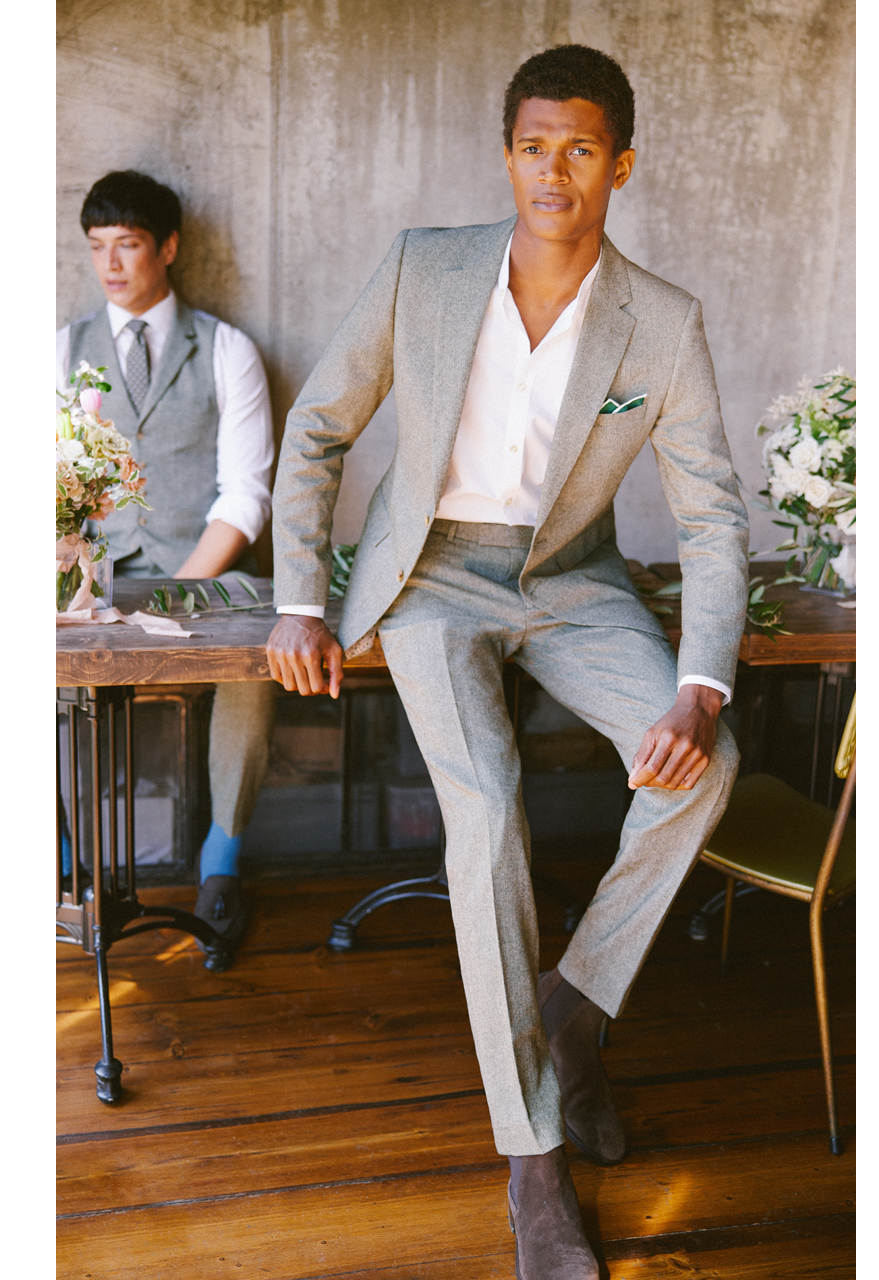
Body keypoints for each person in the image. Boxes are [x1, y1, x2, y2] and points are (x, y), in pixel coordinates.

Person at [266, 45, 748, 1279]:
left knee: (707, 760)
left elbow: (709, 520)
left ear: (620, 165)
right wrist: (297, 601)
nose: (554, 169)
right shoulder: (426, 267)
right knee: (484, 811)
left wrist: (702, 682)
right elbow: (319, 427)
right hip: (427, 577)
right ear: (507, 154)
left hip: (571, 579)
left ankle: (571, 1014)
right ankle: (534, 1157)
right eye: (534, 145)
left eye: (581, 148)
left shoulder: (666, 319)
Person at [57, 170, 277, 958]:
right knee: (48, 670)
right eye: (97, 248)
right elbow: (47, 485)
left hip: (204, 567)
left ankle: (222, 858)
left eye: (129, 245)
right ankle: (73, 857)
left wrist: (186, 588)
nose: (111, 265)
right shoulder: (62, 350)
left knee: (255, 664)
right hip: (97, 569)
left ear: (169, 247)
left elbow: (247, 493)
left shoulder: (228, 349)